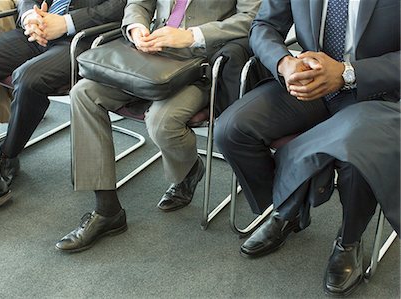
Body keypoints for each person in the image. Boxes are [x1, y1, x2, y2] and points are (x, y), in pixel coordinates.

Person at [214, 0, 399, 296]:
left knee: (356, 157)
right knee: (231, 130)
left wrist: (348, 73)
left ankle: (348, 240)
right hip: (307, 84)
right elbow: (264, 26)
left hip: (374, 93)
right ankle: (288, 207)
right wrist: (284, 63)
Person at [55, 0, 262, 253]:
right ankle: (107, 211)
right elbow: (138, 3)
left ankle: (188, 170)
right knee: (83, 93)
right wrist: (136, 27)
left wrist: (190, 36)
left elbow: (253, 17)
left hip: (201, 65)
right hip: (148, 52)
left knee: (161, 121)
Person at [0, 0, 127, 225]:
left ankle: (7, 155)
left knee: (28, 78)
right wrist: (29, 17)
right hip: (38, 30)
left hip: (82, 38)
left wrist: (65, 23)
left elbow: (123, 5)